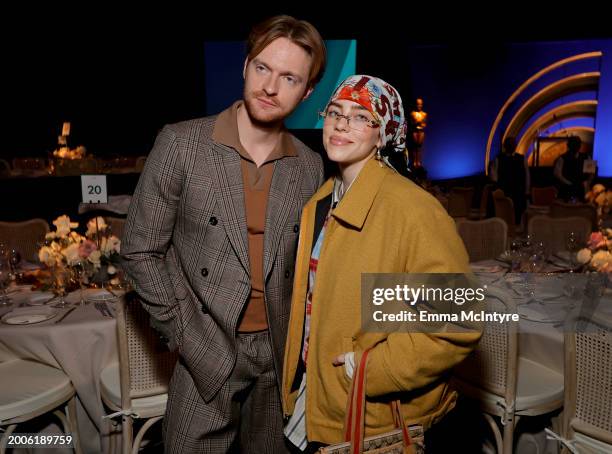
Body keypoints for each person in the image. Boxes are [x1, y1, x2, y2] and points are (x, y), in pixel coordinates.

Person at [120, 15, 326, 453]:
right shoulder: (183, 144)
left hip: (278, 357)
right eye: (263, 68)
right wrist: (186, 338)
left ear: (307, 92)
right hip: (206, 350)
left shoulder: (309, 166)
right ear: (245, 66)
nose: (270, 87)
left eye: (289, 78)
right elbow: (139, 250)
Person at [281, 75, 481, 452]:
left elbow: (458, 320)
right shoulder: (320, 201)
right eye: (335, 113)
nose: (341, 123)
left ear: (384, 134)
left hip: (367, 410)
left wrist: (371, 368)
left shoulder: (413, 209)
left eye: (360, 117)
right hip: (316, 396)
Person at [489, 136, 530, 223]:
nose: (512, 146)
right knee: (504, 215)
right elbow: (494, 176)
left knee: (518, 215)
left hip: (518, 192)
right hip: (505, 191)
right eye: (510, 144)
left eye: (513, 144)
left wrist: (526, 191)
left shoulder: (522, 158)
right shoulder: (498, 159)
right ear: (505, 146)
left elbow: (527, 176)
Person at [554, 136, 592, 201]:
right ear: (569, 146)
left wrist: (586, 184)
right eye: (574, 144)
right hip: (566, 191)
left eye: (577, 144)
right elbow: (557, 174)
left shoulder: (587, 157)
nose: (576, 146)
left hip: (581, 190)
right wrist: (568, 184)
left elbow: (591, 173)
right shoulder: (562, 158)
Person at [407, 97, 427, 168]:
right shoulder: (413, 113)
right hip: (414, 132)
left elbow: (424, 124)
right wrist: (417, 123)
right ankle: (414, 162)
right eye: (418, 104)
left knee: (419, 147)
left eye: (421, 104)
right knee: (414, 147)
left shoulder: (424, 114)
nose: (419, 106)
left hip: (421, 132)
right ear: (415, 104)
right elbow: (412, 123)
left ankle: (418, 162)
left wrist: (420, 124)